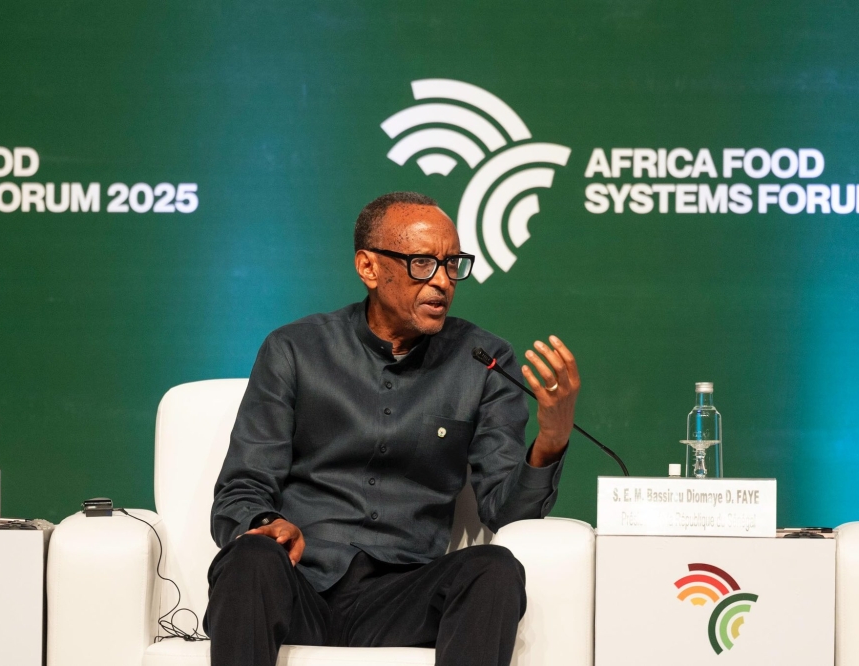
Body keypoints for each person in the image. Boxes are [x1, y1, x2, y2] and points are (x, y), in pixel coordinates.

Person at [206, 191, 580, 666]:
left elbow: (504, 513)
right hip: (302, 583)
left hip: (404, 595)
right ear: (369, 267)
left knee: (494, 568)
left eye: (453, 265)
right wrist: (265, 525)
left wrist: (551, 440)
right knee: (250, 558)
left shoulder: (483, 363)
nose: (443, 281)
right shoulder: (295, 350)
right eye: (423, 263)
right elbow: (242, 488)